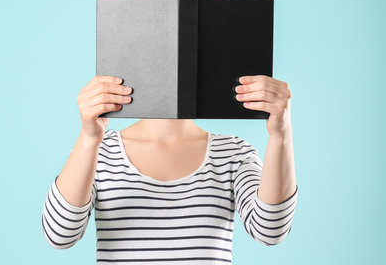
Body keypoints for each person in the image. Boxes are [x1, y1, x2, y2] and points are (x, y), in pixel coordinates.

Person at [42, 74, 298, 264]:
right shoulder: (98, 151)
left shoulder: (233, 153)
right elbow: (59, 234)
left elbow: (270, 230)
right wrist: (89, 138)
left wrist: (281, 135)